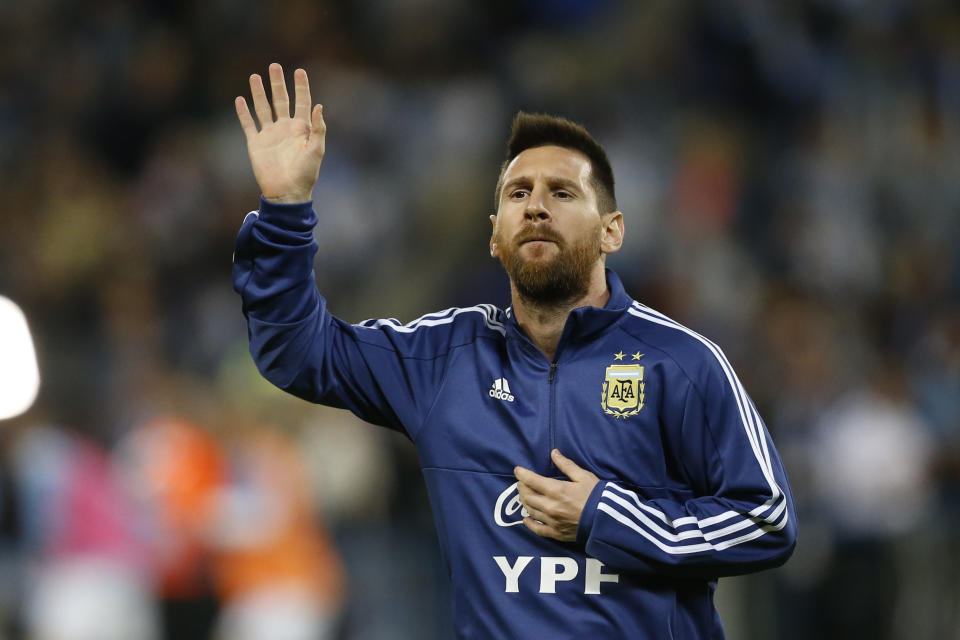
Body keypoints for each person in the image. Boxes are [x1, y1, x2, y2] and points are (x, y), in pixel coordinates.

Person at [232, 63, 797, 639]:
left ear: (612, 231)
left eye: (563, 192)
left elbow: (767, 522)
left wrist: (605, 516)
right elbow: (297, 352)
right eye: (518, 193)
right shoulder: (443, 358)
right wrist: (285, 209)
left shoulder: (681, 362)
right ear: (495, 234)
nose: (535, 206)